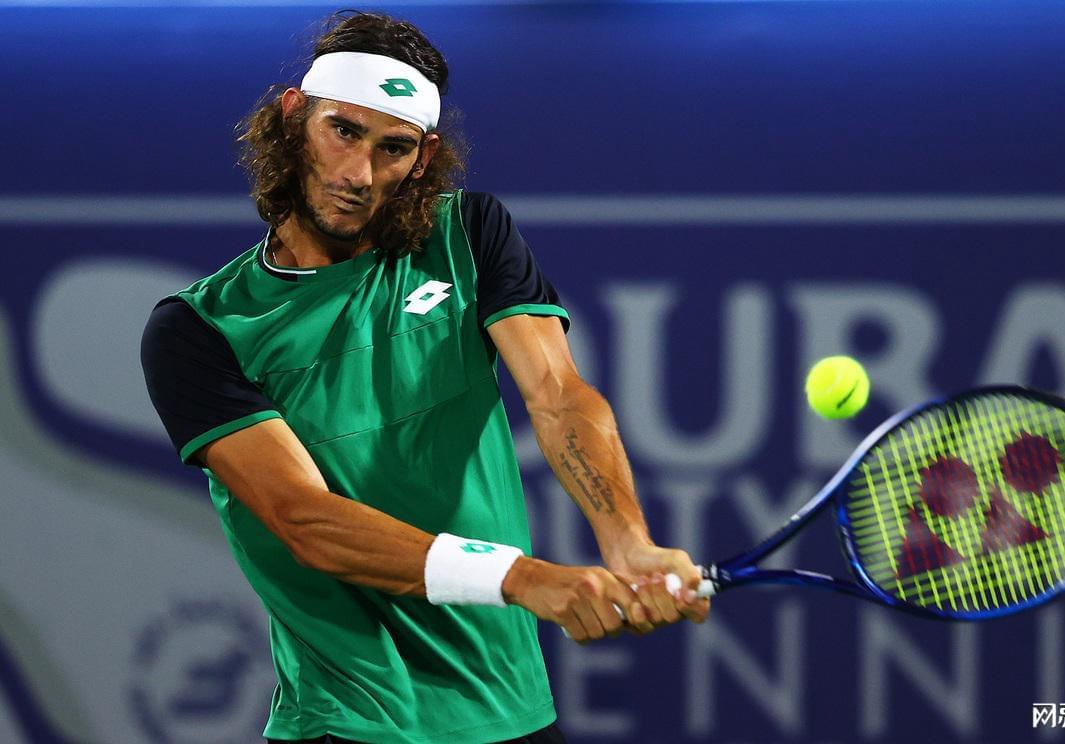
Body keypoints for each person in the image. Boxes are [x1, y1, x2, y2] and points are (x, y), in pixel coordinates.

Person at [140, 10, 709, 744]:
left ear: (423, 155)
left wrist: (626, 538)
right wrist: (520, 577)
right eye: (343, 130)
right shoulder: (200, 329)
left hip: (515, 713)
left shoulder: (469, 234)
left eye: (394, 148)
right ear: (293, 116)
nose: (358, 175)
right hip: (350, 722)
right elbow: (305, 521)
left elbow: (557, 394)